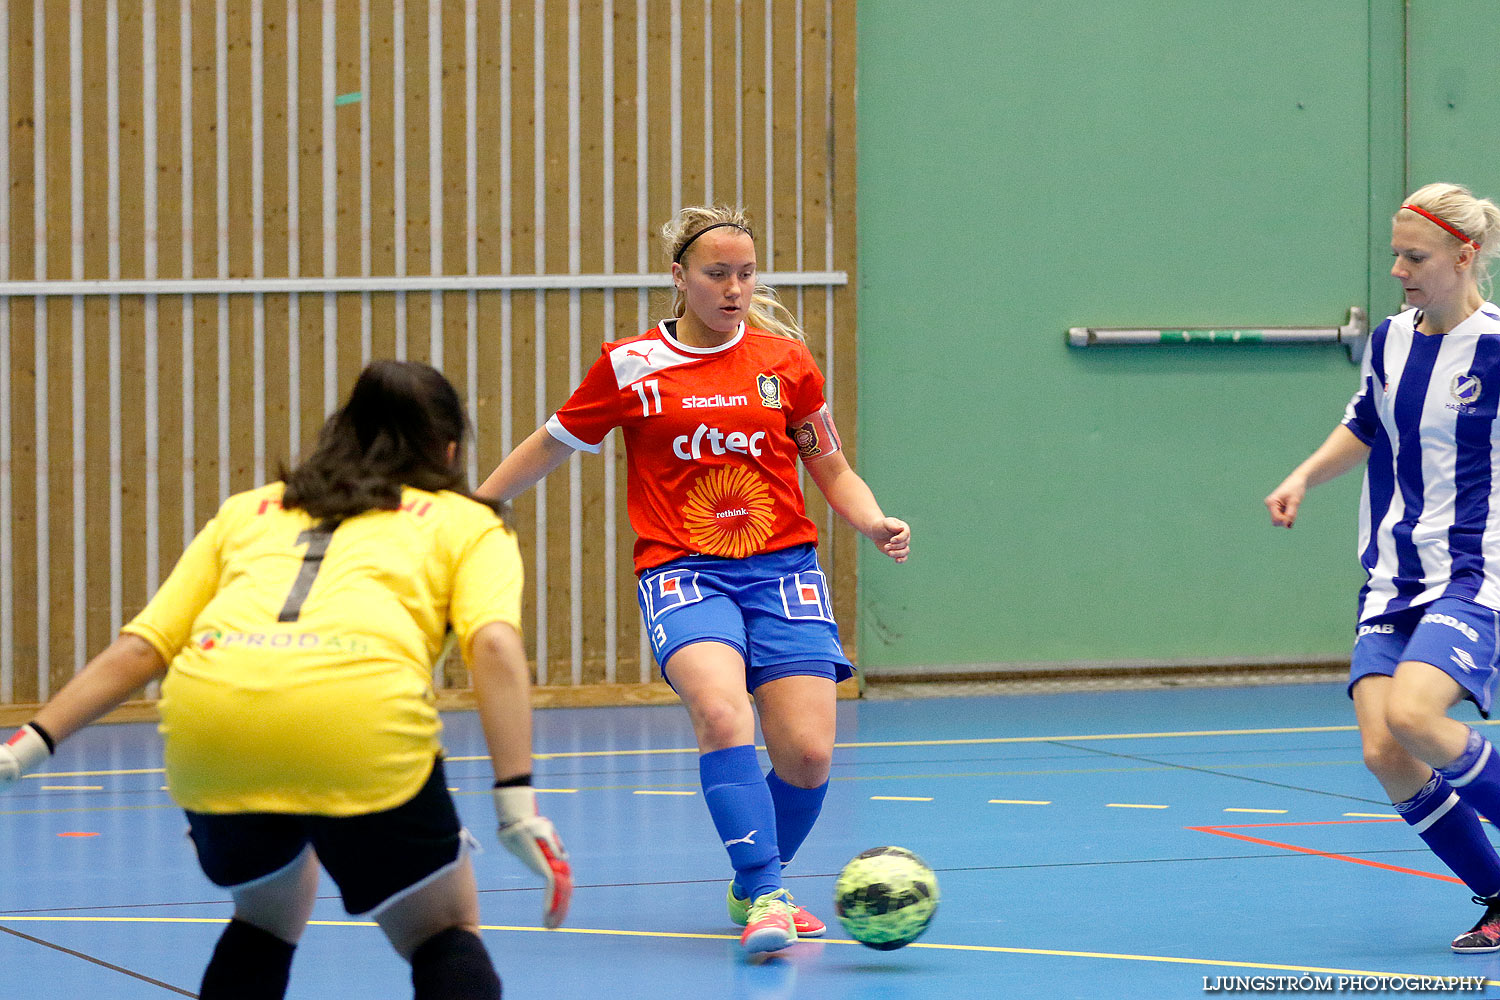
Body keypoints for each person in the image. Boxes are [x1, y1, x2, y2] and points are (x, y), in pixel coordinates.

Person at [0, 360, 572, 999]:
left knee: (268, 916)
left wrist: (22, 749)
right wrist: (517, 806)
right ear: (449, 451)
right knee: (443, 929)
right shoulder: (467, 521)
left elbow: (142, 648)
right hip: (359, 725)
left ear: (339, 435)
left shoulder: (251, 509)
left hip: (212, 727)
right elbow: (493, 643)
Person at [477, 205, 909, 954]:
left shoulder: (786, 364)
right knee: (720, 713)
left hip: (784, 573)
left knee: (806, 755)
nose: (735, 287)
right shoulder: (630, 366)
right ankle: (769, 892)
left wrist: (871, 520)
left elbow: (830, 466)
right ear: (680, 277)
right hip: (684, 572)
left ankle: (750, 885)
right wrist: (474, 508)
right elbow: (551, 443)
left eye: (746, 274)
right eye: (717, 273)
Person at [1266, 182, 1500, 953]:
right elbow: (1363, 426)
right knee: (1384, 751)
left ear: (1464, 257)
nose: (1398, 268)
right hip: (1393, 579)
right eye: (1394, 253)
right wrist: (1303, 476)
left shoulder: (1495, 347)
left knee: (1414, 715)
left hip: (1472, 573)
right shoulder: (1393, 340)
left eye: (1415, 255)